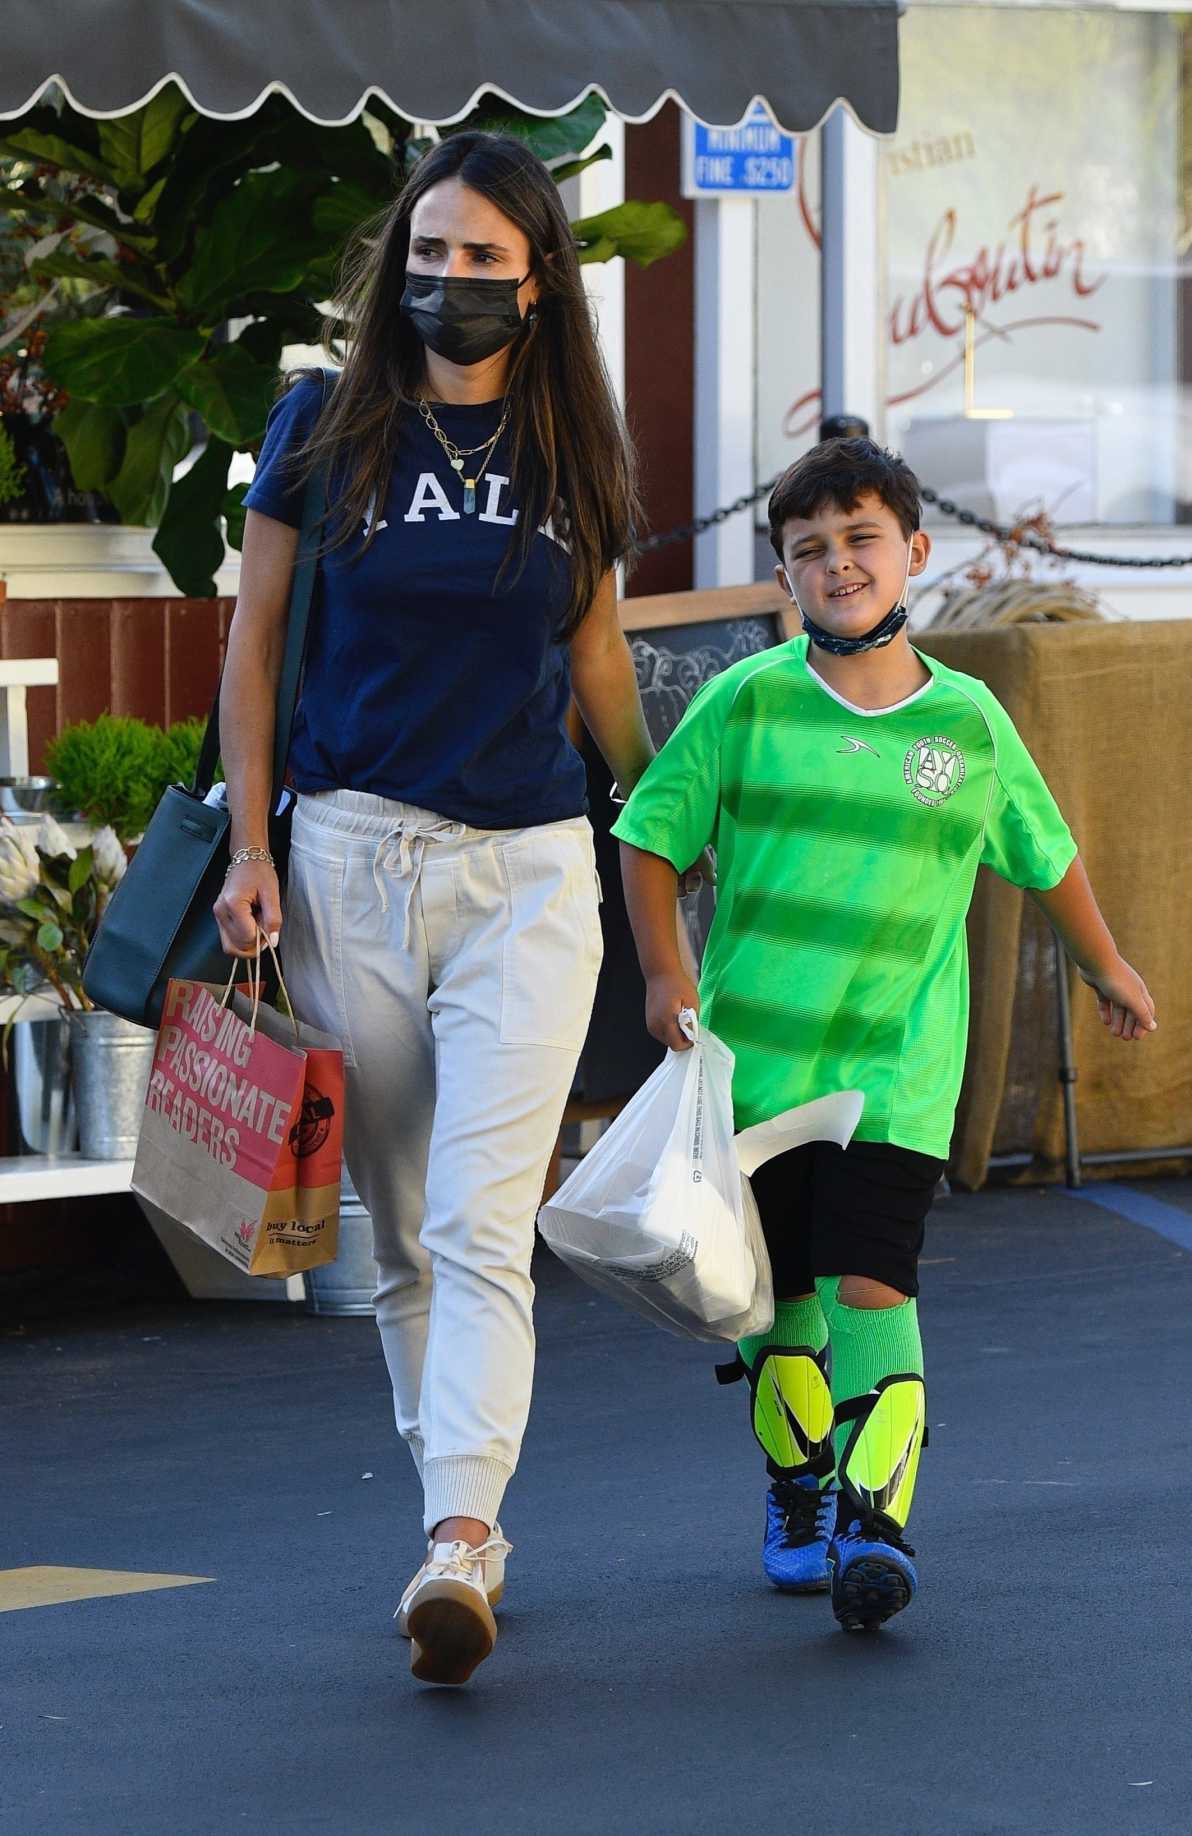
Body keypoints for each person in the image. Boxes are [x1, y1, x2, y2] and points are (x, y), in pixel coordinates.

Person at [215, 131, 666, 1687]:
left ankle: (462, 1537)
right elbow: (255, 640)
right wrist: (250, 847)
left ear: (536, 279)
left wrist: (661, 819)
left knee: (482, 1223)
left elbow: (598, 656)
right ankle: (448, 1517)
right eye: (431, 252)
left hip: (530, 873)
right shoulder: (323, 424)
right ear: (397, 261)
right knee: (401, 1232)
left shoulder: (574, 443)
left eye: (483, 257)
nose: (450, 279)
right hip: (347, 857)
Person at [611, 437, 1156, 1633]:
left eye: (860, 540)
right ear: (783, 580)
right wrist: (664, 971)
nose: (837, 564)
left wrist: (1105, 963)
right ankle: (797, 1487)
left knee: (872, 1279)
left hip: (897, 1074)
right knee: (779, 1302)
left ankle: (874, 1521)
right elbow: (648, 835)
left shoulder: (966, 724)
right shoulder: (743, 703)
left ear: (913, 552)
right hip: (758, 1069)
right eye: (808, 550)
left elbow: (1044, 853)